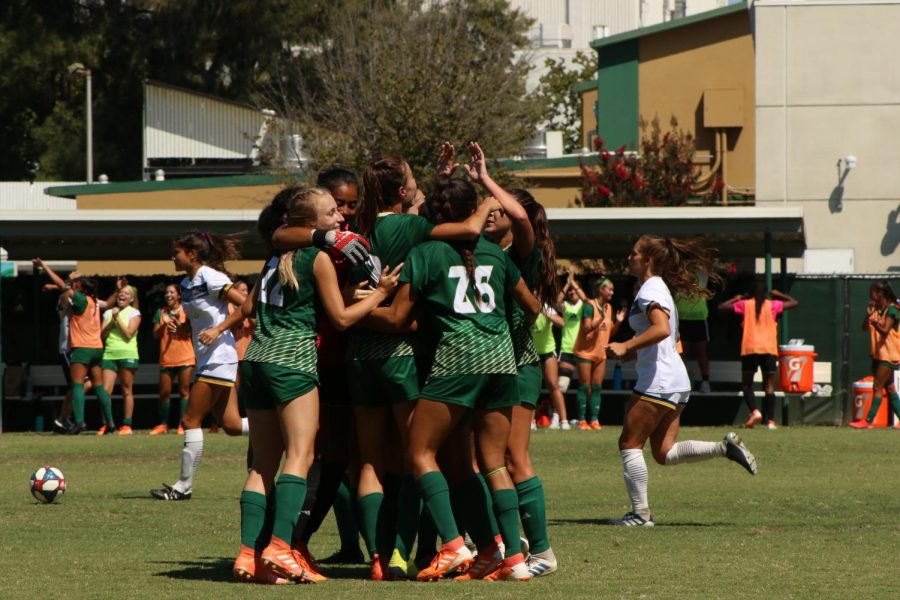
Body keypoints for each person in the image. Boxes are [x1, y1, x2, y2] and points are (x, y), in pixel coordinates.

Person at [328, 150, 494, 580]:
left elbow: (346, 293)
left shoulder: (357, 232)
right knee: (416, 456)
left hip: (359, 355)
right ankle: (416, 550)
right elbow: (467, 226)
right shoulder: (420, 228)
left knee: (369, 462)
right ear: (403, 191)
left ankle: (378, 559)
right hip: (401, 354)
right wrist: (487, 194)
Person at [368, 172, 541, 582]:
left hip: (455, 365)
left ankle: (451, 545)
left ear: (432, 214)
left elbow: (397, 318)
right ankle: (510, 559)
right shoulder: (496, 253)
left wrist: (357, 307)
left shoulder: (425, 253)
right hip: (502, 365)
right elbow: (532, 307)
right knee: (493, 465)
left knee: (419, 453)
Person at [234, 187, 401, 584]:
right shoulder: (320, 256)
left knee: (262, 465)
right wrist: (380, 293)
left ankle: (247, 555)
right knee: (301, 455)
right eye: (331, 213)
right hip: (292, 361)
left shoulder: (276, 256)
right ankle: (279, 547)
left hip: (256, 360)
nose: (341, 219)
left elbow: (270, 304)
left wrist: (341, 294)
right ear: (310, 223)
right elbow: (341, 320)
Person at [606, 235, 758, 527]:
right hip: (675, 379)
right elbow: (668, 338)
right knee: (664, 453)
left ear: (648, 260)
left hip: (659, 380)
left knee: (629, 443)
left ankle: (640, 515)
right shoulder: (659, 288)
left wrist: (627, 346)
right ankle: (722, 448)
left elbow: (662, 329)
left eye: (634, 253)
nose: (629, 257)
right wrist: (633, 352)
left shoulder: (651, 288)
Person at [150, 230, 250, 501]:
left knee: (189, 419)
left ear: (192, 254)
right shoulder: (185, 284)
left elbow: (247, 306)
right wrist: (180, 325)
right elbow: (196, 323)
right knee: (230, 425)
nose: (173, 256)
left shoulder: (212, 277)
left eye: (177, 252)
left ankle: (183, 486)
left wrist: (219, 329)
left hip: (219, 358)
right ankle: (277, 425)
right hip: (208, 359)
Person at [718, 281, 799, 429]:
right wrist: (779, 294)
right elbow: (794, 303)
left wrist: (735, 299)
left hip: (750, 348)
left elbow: (721, 308)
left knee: (747, 384)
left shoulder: (745, 304)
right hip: (768, 348)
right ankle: (771, 421)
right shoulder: (773, 305)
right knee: (769, 386)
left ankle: (755, 411)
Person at [572, 278, 626, 430]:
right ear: (600, 290)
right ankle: (582, 420)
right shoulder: (589, 306)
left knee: (596, 387)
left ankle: (594, 420)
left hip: (600, 353)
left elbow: (610, 332)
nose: (612, 292)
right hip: (585, 352)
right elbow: (586, 329)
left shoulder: (608, 307)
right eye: (609, 289)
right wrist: (601, 318)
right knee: (584, 386)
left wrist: (619, 322)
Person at [850, 280, 900, 428]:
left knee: (877, 386)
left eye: (872, 292)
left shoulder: (892, 310)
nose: (870, 295)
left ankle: (869, 421)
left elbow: (884, 331)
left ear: (880, 293)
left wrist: (875, 322)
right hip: (878, 353)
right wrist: (870, 316)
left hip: (889, 354)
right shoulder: (877, 310)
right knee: (890, 389)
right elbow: (863, 327)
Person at [150, 284, 195, 435]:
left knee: (184, 390)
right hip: (166, 357)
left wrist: (179, 325)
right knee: (164, 392)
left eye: (172, 292)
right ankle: (163, 425)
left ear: (179, 296)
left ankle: (183, 424)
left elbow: (190, 332)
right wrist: (165, 325)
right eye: (166, 292)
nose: (168, 295)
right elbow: (155, 335)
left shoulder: (186, 310)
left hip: (185, 356)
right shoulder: (160, 312)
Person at [100, 282, 141, 435]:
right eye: (120, 293)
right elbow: (101, 336)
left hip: (127, 355)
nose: (122, 295)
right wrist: (110, 322)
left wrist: (117, 317)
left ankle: (127, 425)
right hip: (109, 354)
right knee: (105, 392)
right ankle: (107, 424)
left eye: (126, 294)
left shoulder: (134, 313)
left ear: (131, 299)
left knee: (126, 390)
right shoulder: (108, 313)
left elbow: (129, 334)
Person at [675, 271, 712, 393]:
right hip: (681, 318)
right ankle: (683, 382)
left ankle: (705, 381)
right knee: (681, 352)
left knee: (701, 352)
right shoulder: (676, 272)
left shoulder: (701, 273)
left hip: (699, 318)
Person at [531, 304, 567, 429]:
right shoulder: (526, 305)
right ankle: (531, 422)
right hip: (530, 352)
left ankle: (563, 421)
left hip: (548, 351)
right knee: (532, 387)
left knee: (553, 385)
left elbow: (562, 323)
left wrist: (546, 313)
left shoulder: (547, 307)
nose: (536, 294)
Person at [558, 268, 585, 423]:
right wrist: (567, 283)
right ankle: (557, 416)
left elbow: (585, 297)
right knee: (561, 386)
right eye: (570, 291)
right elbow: (557, 301)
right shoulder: (566, 307)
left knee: (584, 386)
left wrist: (573, 282)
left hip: (581, 351)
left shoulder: (584, 305)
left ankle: (583, 420)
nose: (571, 293)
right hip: (567, 350)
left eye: (573, 290)